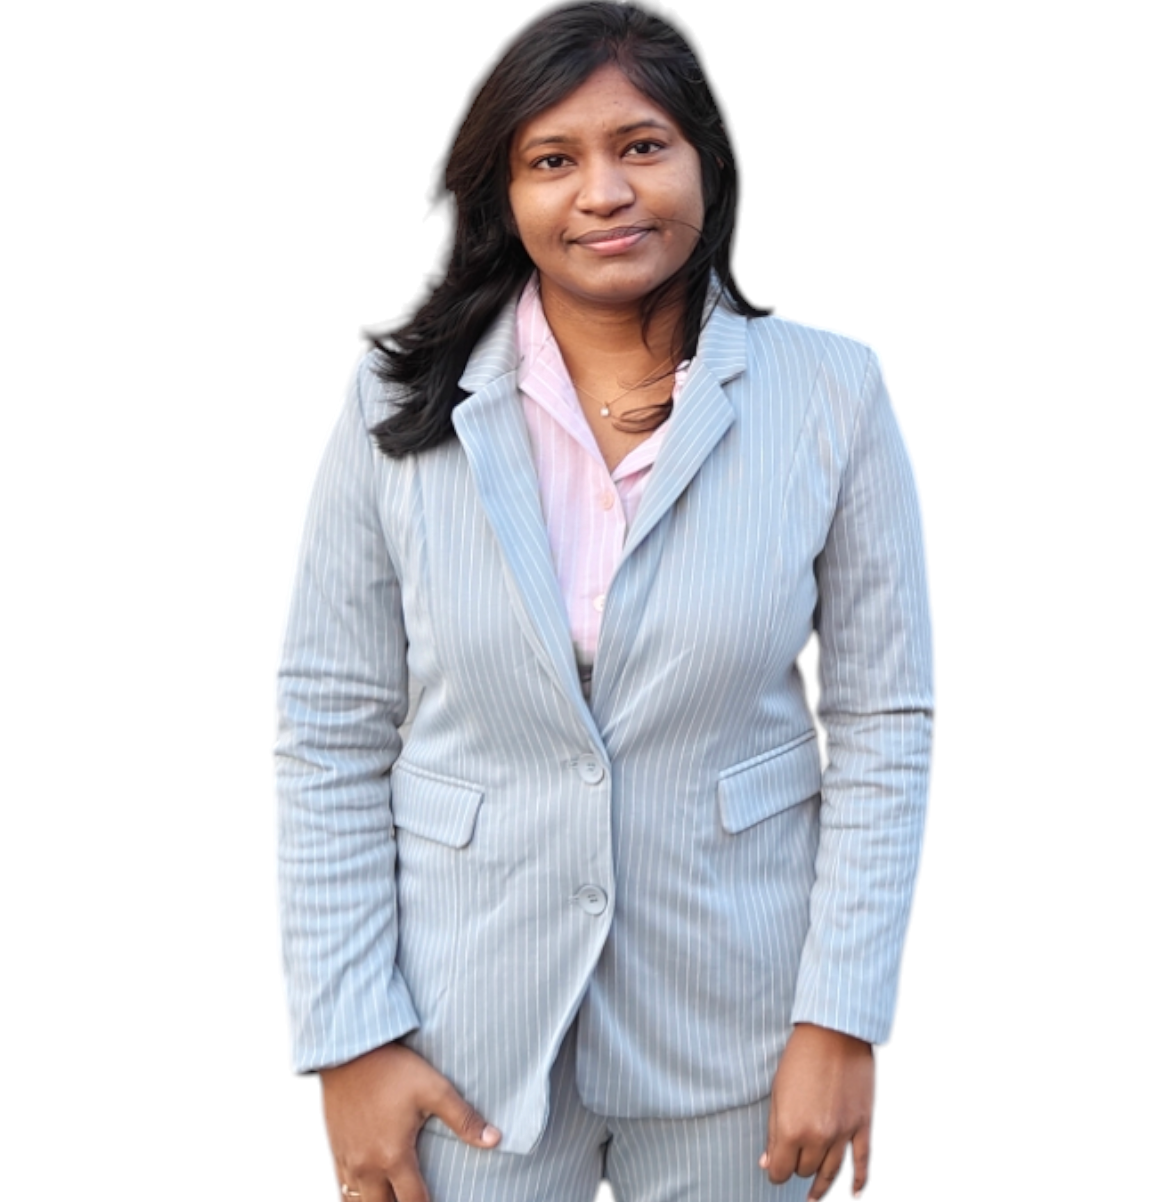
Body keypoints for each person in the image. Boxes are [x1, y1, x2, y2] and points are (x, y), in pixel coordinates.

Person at [275, 3, 932, 1200]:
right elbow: (328, 725)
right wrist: (350, 1035)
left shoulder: (831, 394)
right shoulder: (396, 403)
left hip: (738, 1026)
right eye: (552, 159)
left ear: (705, 166)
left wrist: (841, 1018)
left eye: (641, 145)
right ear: (503, 194)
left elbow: (886, 722)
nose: (604, 192)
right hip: (457, 1038)